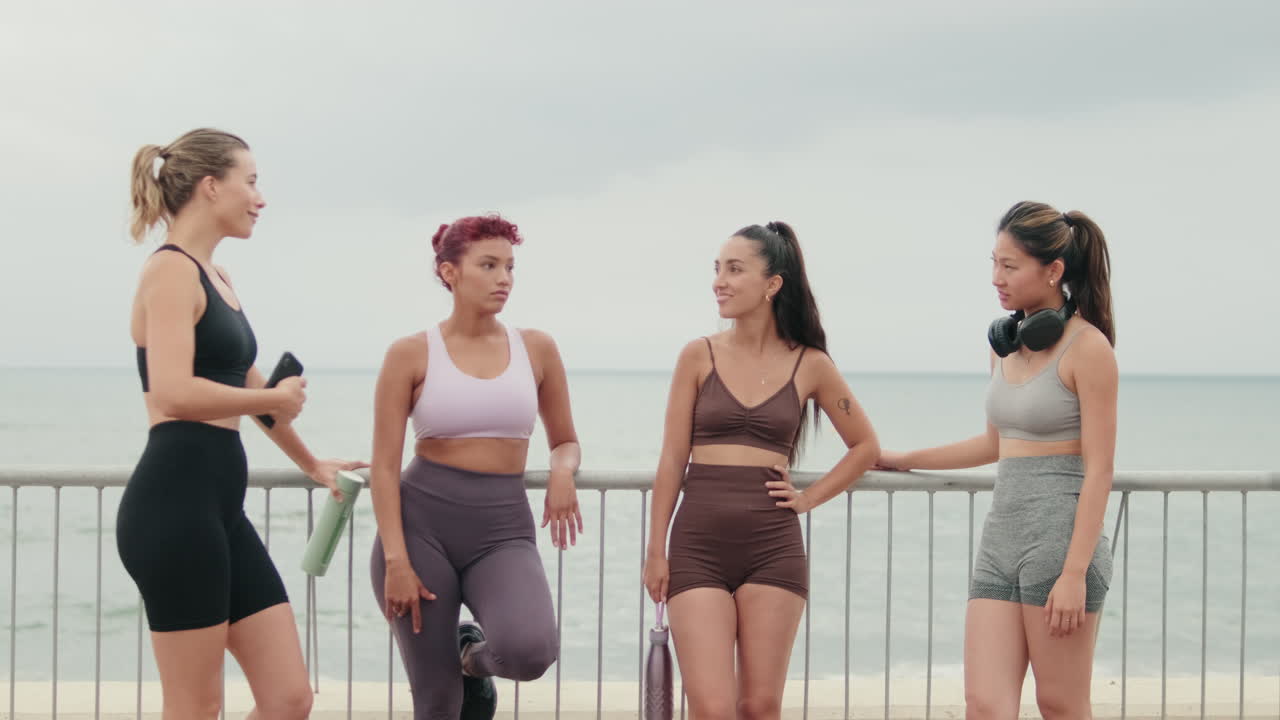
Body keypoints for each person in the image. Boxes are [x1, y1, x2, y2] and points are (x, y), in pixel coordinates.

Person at [116, 127, 366, 720]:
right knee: (196, 709)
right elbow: (173, 392)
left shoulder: (217, 275)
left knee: (287, 699)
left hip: (219, 512)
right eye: (250, 181)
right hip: (172, 511)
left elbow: (252, 390)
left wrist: (310, 461)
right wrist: (274, 397)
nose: (260, 197)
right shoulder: (170, 272)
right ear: (210, 186)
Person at [878, 201, 1118, 719]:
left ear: (1053, 271)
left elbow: (1100, 468)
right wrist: (902, 458)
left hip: (1060, 545)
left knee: (1060, 704)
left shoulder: (1089, 349)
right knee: (985, 704)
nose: (996, 278)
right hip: (1000, 540)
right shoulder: (1004, 348)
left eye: (1009, 266)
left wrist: (1074, 573)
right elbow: (994, 444)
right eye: (994, 262)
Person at [643, 221, 880, 720]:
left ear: (772, 284)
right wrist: (655, 549)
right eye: (717, 269)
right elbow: (671, 460)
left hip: (773, 547)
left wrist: (810, 498)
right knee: (710, 706)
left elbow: (864, 446)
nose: (719, 282)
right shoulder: (697, 355)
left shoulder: (811, 364)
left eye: (734, 269)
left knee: (760, 705)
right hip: (697, 545)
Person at [368, 214, 583, 719]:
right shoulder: (409, 353)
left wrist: (562, 471)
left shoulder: (537, 348)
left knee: (529, 651)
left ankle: (471, 659)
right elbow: (383, 467)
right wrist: (396, 559)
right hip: (421, 529)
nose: (504, 278)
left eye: (509, 266)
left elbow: (566, 440)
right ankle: (452, 677)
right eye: (488, 265)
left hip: (502, 529)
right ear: (449, 272)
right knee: (437, 702)